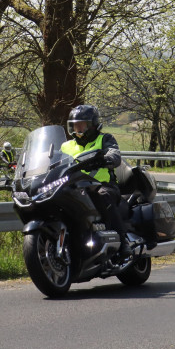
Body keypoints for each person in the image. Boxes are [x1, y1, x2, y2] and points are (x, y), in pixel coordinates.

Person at [60, 104, 132, 257]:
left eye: (82, 124)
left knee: (103, 196)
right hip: (75, 187)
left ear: (92, 125)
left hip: (102, 186)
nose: (78, 128)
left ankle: (123, 242)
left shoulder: (104, 139)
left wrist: (107, 158)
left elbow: (114, 153)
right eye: (75, 125)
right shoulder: (66, 146)